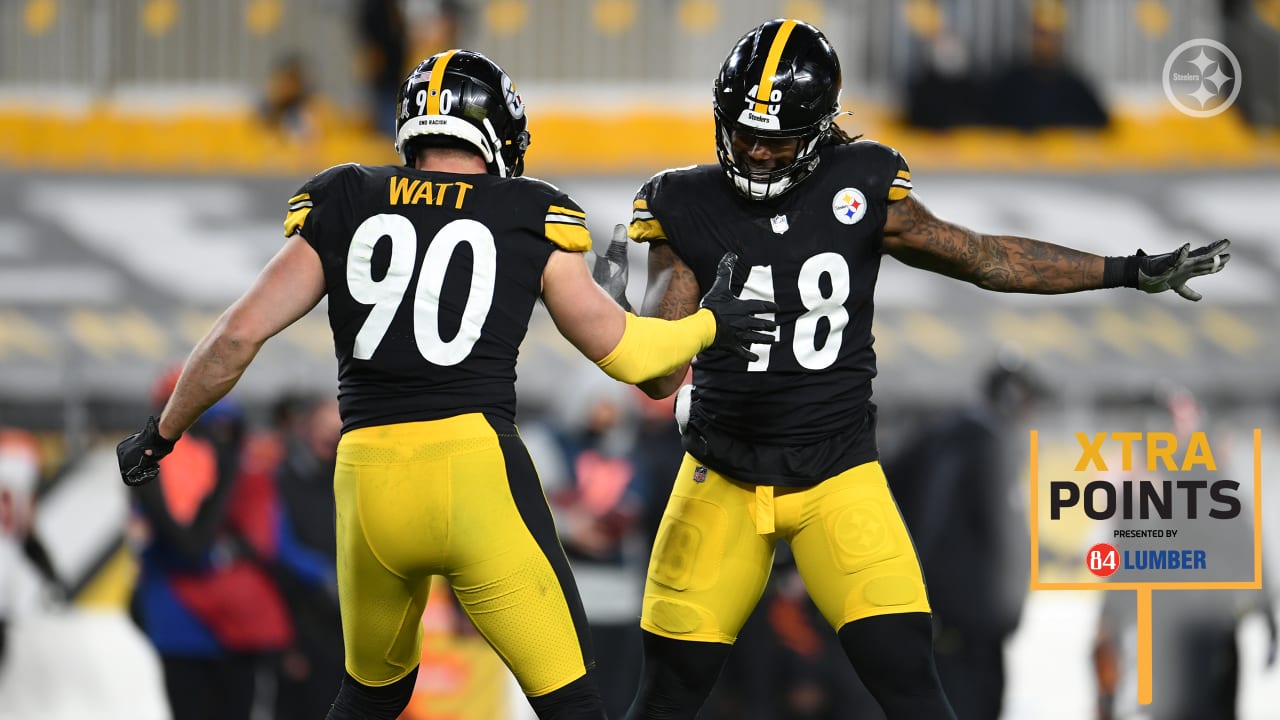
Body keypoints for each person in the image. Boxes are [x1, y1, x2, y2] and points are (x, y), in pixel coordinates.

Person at [116, 49, 774, 720]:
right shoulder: (528, 209)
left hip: (370, 479)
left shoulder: (345, 195)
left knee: (372, 695)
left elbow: (236, 336)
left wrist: (159, 435)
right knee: (572, 700)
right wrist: (706, 326)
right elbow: (630, 356)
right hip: (473, 477)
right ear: (498, 134)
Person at [603, 18, 1232, 720]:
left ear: (817, 132)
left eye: (774, 138)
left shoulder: (862, 183)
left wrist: (1125, 270)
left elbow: (986, 259)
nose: (751, 150)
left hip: (836, 478)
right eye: (742, 130)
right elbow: (659, 379)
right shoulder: (681, 202)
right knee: (665, 697)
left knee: (912, 687)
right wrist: (634, 318)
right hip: (721, 474)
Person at [885, 355, 1044, 720]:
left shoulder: (947, 437)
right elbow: (931, 524)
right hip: (959, 635)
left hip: (957, 631)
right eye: (1030, 400)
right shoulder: (975, 445)